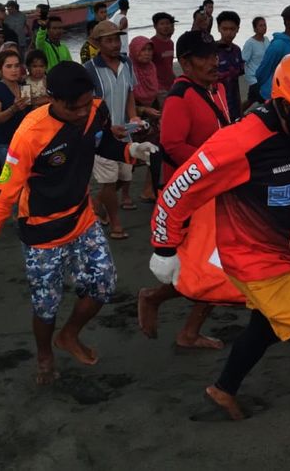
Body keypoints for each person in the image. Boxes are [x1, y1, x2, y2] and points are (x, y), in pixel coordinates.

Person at [147, 52, 290, 471]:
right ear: (286, 106)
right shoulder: (237, 144)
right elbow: (178, 191)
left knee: (267, 326)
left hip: (288, 251)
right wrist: (165, 249)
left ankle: (224, 388)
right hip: (254, 260)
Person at [0, 62, 156, 385]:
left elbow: (101, 141)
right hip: (42, 232)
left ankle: (69, 335)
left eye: (86, 103)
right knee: (46, 305)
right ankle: (44, 355)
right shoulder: (29, 134)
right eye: (73, 107)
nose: (82, 112)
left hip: (83, 219)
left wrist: (132, 151)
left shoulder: (95, 108)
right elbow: (2, 194)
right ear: (52, 98)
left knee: (104, 284)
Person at [138, 30, 227, 350]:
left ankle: (189, 331)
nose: (213, 61)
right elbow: (172, 145)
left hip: (216, 187)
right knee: (207, 265)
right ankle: (153, 298)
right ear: (185, 62)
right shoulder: (180, 96)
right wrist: (213, 165)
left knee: (218, 264)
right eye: (205, 57)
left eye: (215, 54)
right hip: (190, 192)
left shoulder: (215, 90)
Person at [83, 20, 138, 239]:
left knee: (125, 176)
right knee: (108, 180)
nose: (115, 44)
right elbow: (87, 106)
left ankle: (97, 204)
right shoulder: (89, 69)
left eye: (117, 39)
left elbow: (130, 92)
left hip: (125, 131)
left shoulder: (127, 63)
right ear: (97, 44)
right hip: (101, 137)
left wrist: (133, 116)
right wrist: (105, 128)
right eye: (109, 40)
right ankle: (116, 225)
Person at [128, 36, 163, 203]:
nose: (147, 53)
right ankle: (124, 195)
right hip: (133, 117)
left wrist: (159, 113)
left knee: (155, 153)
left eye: (150, 50)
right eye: (143, 50)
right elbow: (126, 98)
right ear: (135, 51)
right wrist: (143, 110)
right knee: (131, 158)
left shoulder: (151, 68)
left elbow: (155, 93)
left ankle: (148, 189)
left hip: (151, 116)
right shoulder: (128, 69)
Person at [254, 5, 290, 100]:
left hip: (288, 95)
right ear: (288, 22)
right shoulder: (278, 45)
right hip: (272, 97)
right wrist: (269, 91)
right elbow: (261, 73)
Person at [214, 11, 244, 117]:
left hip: (234, 104)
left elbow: (236, 83)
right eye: (224, 29)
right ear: (218, 28)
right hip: (217, 104)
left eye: (232, 29)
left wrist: (240, 109)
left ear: (237, 29)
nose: (228, 33)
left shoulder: (237, 50)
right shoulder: (212, 50)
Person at [241, 16, 268, 111]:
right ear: (255, 28)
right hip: (254, 77)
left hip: (264, 76)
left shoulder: (266, 40)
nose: (264, 27)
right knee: (264, 98)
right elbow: (243, 60)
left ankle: (237, 113)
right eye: (261, 25)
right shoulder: (250, 43)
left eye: (265, 25)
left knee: (251, 100)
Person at [150, 12, 177, 93]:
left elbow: (169, 65)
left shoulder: (171, 43)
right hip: (158, 86)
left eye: (167, 23)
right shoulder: (151, 43)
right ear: (155, 26)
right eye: (162, 24)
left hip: (171, 84)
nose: (165, 26)